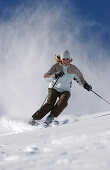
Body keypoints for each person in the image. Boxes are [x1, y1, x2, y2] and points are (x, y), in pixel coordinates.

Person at [29, 50, 92, 126]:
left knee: (63, 101)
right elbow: (45, 77)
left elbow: (80, 79)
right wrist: (55, 76)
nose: (65, 61)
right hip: (54, 87)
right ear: (61, 59)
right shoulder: (56, 67)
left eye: (67, 59)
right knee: (50, 104)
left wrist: (85, 85)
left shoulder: (73, 69)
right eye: (63, 59)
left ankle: (51, 117)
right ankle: (34, 119)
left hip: (65, 90)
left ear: (69, 59)